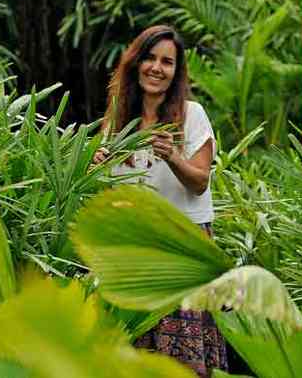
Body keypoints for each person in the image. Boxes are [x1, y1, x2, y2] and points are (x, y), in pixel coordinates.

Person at [92, 25, 227, 377]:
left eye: (167, 62)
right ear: (135, 63)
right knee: (136, 350)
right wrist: (94, 168)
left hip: (183, 243)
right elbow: (109, 194)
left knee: (183, 353)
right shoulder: (117, 122)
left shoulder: (191, 115)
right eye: (150, 58)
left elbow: (200, 181)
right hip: (134, 246)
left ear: (176, 72)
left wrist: (173, 157)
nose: (156, 68)